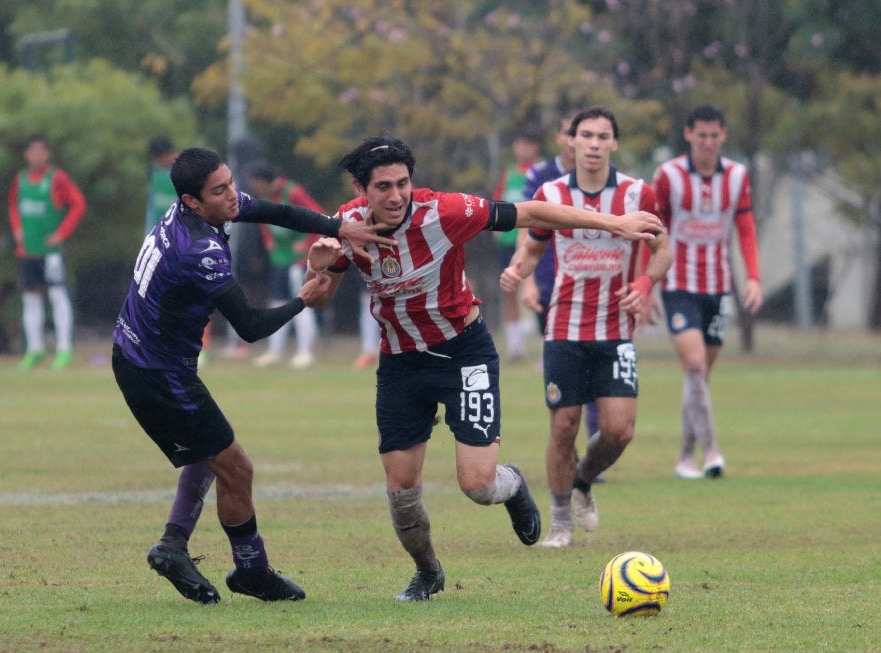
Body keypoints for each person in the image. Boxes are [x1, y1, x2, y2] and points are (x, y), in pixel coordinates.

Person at [300, 135, 664, 601]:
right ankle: (428, 572)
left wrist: (614, 223)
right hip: (400, 364)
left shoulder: (444, 212)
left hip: (463, 353)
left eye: (403, 184)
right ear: (360, 188)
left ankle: (511, 487)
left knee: (477, 485)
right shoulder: (345, 226)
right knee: (401, 489)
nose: (395, 196)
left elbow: (532, 213)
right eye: (383, 187)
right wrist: (321, 271)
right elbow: (320, 299)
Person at [111, 147, 393, 605]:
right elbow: (250, 327)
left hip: (145, 359)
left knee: (209, 453)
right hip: (156, 372)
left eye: (229, 182)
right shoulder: (198, 250)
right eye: (219, 191)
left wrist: (336, 226)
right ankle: (252, 571)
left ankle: (172, 546)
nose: (231, 196)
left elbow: (271, 209)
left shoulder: (194, 210)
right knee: (237, 467)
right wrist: (305, 297)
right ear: (192, 201)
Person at [500, 106, 672, 548]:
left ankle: (583, 480)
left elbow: (664, 249)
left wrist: (644, 282)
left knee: (619, 431)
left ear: (614, 143)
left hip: (615, 329)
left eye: (603, 136)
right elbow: (534, 247)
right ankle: (560, 523)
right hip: (564, 327)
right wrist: (518, 270)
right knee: (564, 426)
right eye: (586, 136)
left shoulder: (638, 193)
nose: (594, 144)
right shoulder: (551, 192)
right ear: (571, 142)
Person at [651, 105, 762, 480]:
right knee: (695, 364)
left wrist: (753, 277)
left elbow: (745, 228)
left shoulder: (737, 176)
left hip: (718, 286)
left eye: (715, 135)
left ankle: (684, 457)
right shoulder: (668, 176)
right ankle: (712, 450)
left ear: (724, 136)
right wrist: (646, 283)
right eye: (702, 135)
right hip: (678, 284)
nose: (708, 142)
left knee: (698, 376)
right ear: (688, 135)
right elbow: (652, 230)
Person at [521, 112, 603, 478]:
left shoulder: (604, 179)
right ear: (560, 137)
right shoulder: (540, 176)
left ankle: (597, 450)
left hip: (595, 286)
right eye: (572, 133)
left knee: (598, 370)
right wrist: (527, 280)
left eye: (584, 134)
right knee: (567, 375)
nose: (577, 141)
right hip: (550, 284)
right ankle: (566, 451)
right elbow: (525, 225)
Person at [8, 134, 87, 371]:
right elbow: (13, 206)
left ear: (48, 154)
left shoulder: (57, 178)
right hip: (27, 251)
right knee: (30, 299)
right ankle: (35, 349)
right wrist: (17, 229)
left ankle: (64, 349)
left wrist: (62, 233)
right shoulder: (20, 180)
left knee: (57, 296)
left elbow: (78, 204)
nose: (37, 156)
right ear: (26, 154)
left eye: (41, 151)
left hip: (51, 252)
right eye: (32, 151)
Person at [247, 162, 323, 369]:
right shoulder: (263, 198)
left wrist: (308, 243)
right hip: (280, 258)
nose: (253, 186)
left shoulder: (293, 192)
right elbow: (263, 219)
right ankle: (274, 351)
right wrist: (268, 240)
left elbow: (318, 214)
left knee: (301, 301)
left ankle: (305, 352)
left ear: (262, 181)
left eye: (254, 182)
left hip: (298, 258)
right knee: (277, 302)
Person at [491, 124, 541, 362]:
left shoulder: (541, 171)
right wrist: (496, 231)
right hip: (509, 241)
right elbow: (498, 201)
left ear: (535, 147)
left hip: (534, 241)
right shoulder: (509, 172)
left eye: (527, 144)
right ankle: (515, 346)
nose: (522, 149)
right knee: (508, 290)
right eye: (519, 144)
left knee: (539, 288)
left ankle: (546, 343)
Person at [144, 136, 178, 237]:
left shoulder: (186, 170)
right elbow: (152, 205)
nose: (155, 162)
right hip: (159, 231)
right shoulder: (155, 171)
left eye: (156, 159)